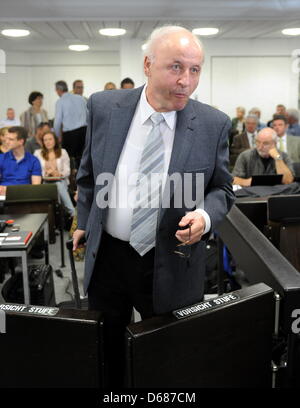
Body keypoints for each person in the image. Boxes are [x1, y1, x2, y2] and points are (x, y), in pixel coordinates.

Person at [73, 25, 234, 387]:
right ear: (147, 65)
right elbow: (88, 174)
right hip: (109, 260)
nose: (186, 81)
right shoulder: (103, 107)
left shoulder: (213, 124)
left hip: (172, 260)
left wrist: (206, 217)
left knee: (166, 358)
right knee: (105, 351)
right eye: (176, 67)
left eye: (195, 70)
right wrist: (85, 221)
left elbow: (223, 188)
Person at [34, 131, 75, 217]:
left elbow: (67, 171)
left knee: (58, 184)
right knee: (55, 186)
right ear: (43, 142)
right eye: (45, 140)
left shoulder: (63, 152)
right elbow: (36, 170)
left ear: (55, 141)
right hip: (44, 182)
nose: (48, 142)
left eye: (50, 139)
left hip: (61, 180)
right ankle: (71, 212)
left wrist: (57, 173)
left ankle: (66, 213)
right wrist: (47, 173)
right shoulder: (38, 153)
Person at [53, 80, 87, 169]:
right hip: (84, 132)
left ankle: (72, 180)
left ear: (58, 90)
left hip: (70, 135)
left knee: (69, 160)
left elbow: (57, 122)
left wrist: (57, 137)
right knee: (82, 158)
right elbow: (88, 115)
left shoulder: (60, 102)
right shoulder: (81, 98)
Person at [0, 126, 42, 194]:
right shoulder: (1, 158)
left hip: (24, 196)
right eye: (7, 139)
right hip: (4, 197)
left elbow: (36, 188)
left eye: (11, 139)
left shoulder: (34, 161)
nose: (7, 142)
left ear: (21, 142)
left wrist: (11, 190)